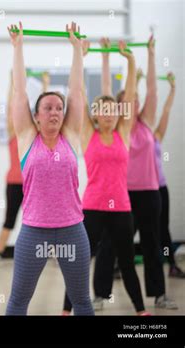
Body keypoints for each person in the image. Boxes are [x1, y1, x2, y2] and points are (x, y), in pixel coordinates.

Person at [5, 21, 93, 315]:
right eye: (48, 108)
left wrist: (77, 51)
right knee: (18, 300)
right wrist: (18, 47)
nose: (55, 111)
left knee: (81, 300)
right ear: (36, 116)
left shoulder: (70, 136)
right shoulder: (28, 138)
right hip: (34, 231)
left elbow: (77, 91)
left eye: (58, 107)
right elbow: (19, 92)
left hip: (72, 229)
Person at [62, 39, 149, 315]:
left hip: (121, 208)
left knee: (126, 263)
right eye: (104, 110)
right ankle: (66, 310)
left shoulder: (123, 133)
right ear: (96, 114)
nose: (109, 114)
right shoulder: (88, 134)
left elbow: (132, 94)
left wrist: (131, 58)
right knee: (80, 261)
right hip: (92, 207)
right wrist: (80, 54)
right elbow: (78, 93)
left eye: (113, 110)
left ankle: (140, 310)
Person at [97, 36, 178, 310]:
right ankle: (100, 294)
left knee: (152, 244)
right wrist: (107, 56)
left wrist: (152, 54)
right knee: (111, 245)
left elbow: (153, 92)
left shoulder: (147, 126)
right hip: (122, 196)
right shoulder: (120, 130)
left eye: (135, 100)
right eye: (128, 102)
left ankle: (159, 294)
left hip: (150, 194)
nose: (135, 103)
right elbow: (108, 90)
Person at [0, 72, 49, 268]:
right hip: (15, 182)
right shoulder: (14, 134)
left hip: (35, 184)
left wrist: (46, 83)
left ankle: (50, 252)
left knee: (42, 219)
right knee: (10, 220)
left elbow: (46, 110)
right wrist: (12, 82)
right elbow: (10, 109)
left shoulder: (38, 137)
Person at [151, 72, 184, 278]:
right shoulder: (129, 135)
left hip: (160, 188)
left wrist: (172, 88)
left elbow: (165, 110)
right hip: (137, 191)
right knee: (126, 230)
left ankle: (172, 265)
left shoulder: (155, 136)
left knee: (163, 228)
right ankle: (117, 265)